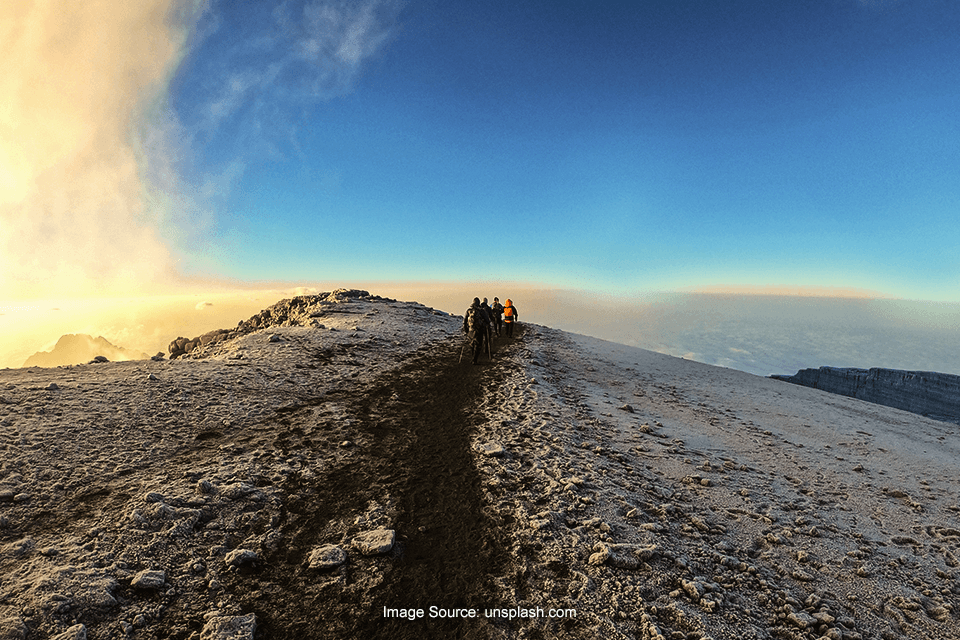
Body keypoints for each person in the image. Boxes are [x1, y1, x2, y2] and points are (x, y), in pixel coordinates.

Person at [463, 297, 491, 364]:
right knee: (478, 345)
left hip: (471, 330)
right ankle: (474, 359)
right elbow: (487, 320)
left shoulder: (469, 310)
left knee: (472, 344)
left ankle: (473, 356)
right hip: (479, 330)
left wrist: (466, 329)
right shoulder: (481, 310)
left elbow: (465, 321)